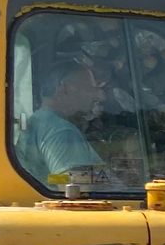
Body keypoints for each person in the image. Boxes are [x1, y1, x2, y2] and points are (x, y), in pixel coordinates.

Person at [20, 55, 108, 185]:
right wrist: (107, 180)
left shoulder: (39, 121)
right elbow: (73, 184)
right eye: (88, 88)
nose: (96, 96)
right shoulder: (61, 130)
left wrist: (48, 179)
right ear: (65, 89)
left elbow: (58, 177)